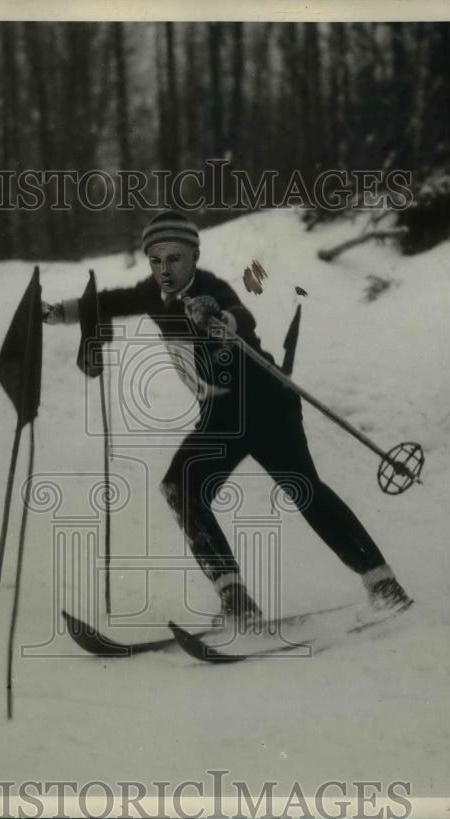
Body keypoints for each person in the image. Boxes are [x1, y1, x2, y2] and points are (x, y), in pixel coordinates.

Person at [42, 210, 413, 625]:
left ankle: (382, 584)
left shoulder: (209, 290)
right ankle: (236, 600)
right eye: (156, 260)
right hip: (221, 413)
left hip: (265, 403)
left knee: (302, 489)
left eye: (175, 259)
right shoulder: (152, 292)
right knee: (182, 487)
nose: (165, 270)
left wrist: (221, 318)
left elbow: (240, 312)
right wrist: (58, 312)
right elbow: (110, 301)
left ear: (194, 257)